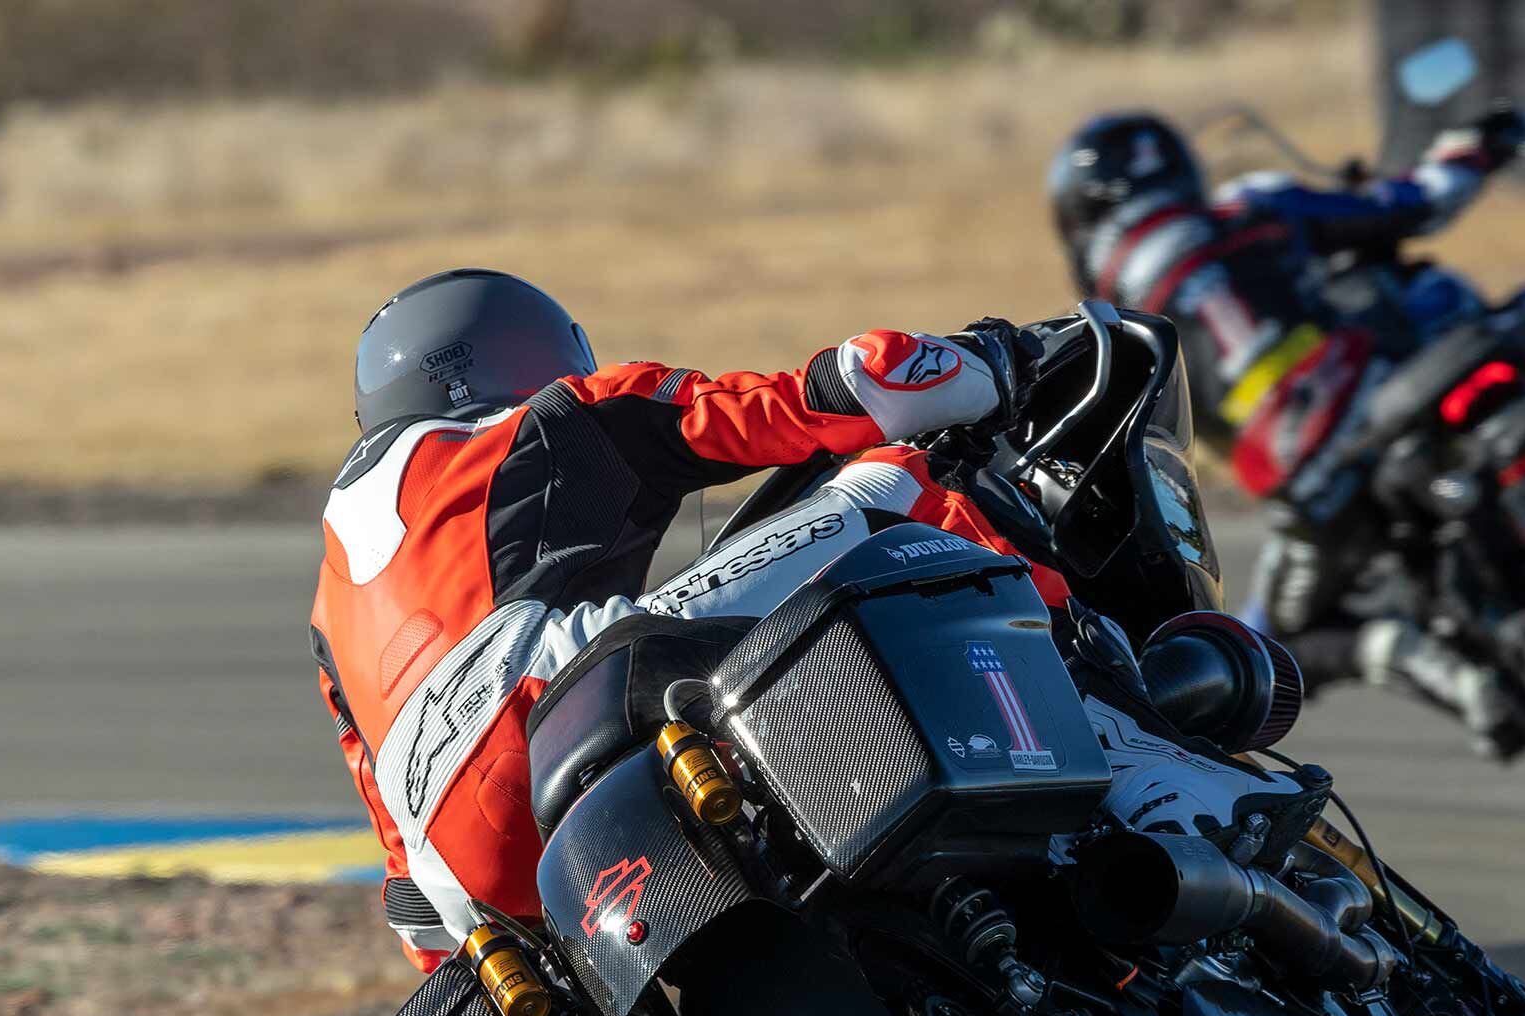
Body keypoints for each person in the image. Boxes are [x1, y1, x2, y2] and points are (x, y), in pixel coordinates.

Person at [310, 269, 1036, 971]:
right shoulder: (552, 419)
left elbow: (395, 854)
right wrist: (996, 362)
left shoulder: (330, 605)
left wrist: (444, 946)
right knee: (899, 487)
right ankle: (1103, 719)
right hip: (556, 704)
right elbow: (817, 398)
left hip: (470, 885)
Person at [1047, 107, 1525, 751]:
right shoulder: (1250, 204)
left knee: (1243, 652)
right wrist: (1471, 150)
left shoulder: (1104, 329)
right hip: (1391, 399)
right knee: (1500, 317)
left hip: (1309, 486)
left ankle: (1424, 663)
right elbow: (1415, 203)